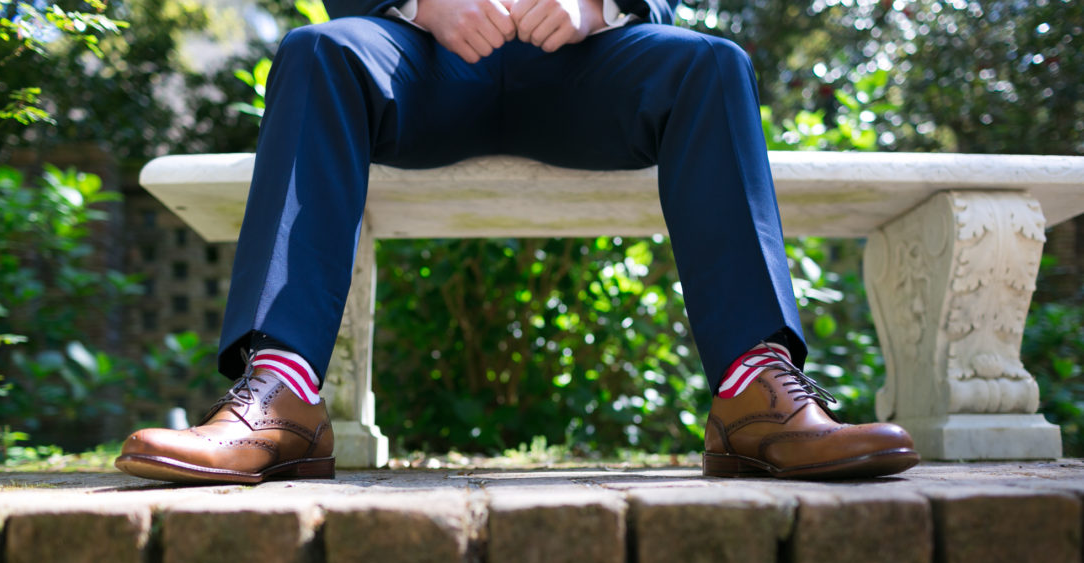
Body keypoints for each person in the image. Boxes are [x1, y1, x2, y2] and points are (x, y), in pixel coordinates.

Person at [114, 0, 920, 483]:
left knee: (713, 65)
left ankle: (756, 391)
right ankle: (281, 394)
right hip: (421, 58)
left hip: (588, 64)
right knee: (314, 53)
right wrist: (422, 5)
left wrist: (595, 7)